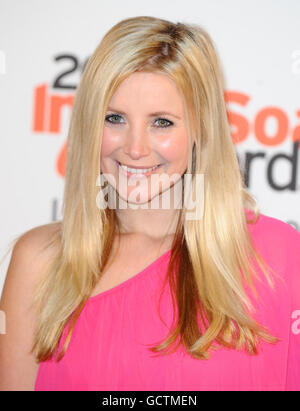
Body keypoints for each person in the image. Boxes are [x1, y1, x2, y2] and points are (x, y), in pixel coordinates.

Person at [0, 15, 299, 391]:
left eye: (161, 122)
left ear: (201, 127)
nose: (135, 148)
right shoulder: (40, 263)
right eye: (114, 118)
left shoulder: (278, 256)